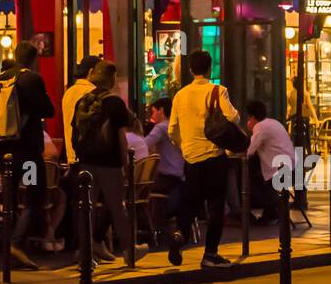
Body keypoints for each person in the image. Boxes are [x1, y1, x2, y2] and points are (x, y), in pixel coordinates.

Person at [167, 49, 237, 269]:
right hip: (214, 155)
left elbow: (172, 130)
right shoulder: (218, 90)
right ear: (210, 68)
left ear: (190, 70)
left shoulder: (180, 95)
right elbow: (233, 116)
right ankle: (210, 254)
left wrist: (184, 146)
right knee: (216, 206)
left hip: (192, 158)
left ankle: (180, 234)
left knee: (190, 202)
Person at [0, 42, 56, 270]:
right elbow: (49, 110)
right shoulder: (32, 79)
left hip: (4, 150)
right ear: (33, 59)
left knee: (9, 198)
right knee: (33, 196)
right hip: (28, 153)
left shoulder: (2, 78)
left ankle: (6, 250)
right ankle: (16, 244)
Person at [72, 59, 137, 264]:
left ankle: (84, 252)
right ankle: (129, 251)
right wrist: (126, 166)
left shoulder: (82, 102)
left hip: (85, 163)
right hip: (109, 163)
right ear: (111, 79)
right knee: (117, 207)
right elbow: (120, 137)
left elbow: (76, 133)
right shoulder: (115, 103)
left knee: (87, 208)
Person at [243, 100, 296, 225]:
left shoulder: (260, 127)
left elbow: (249, 151)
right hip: (291, 167)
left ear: (252, 117)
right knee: (257, 174)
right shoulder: (273, 123)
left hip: (280, 171)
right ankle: (271, 210)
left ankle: (271, 208)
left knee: (251, 178)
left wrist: (251, 130)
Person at [143, 97, 183, 247]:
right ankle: (156, 229)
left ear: (161, 110)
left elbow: (144, 145)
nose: (152, 115)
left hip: (166, 178)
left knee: (140, 191)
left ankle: (151, 231)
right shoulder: (177, 126)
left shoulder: (160, 128)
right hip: (180, 175)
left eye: (153, 111)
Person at [60, 55, 100, 166]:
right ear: (91, 72)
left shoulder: (68, 92)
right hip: (87, 157)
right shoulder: (92, 92)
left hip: (70, 155)